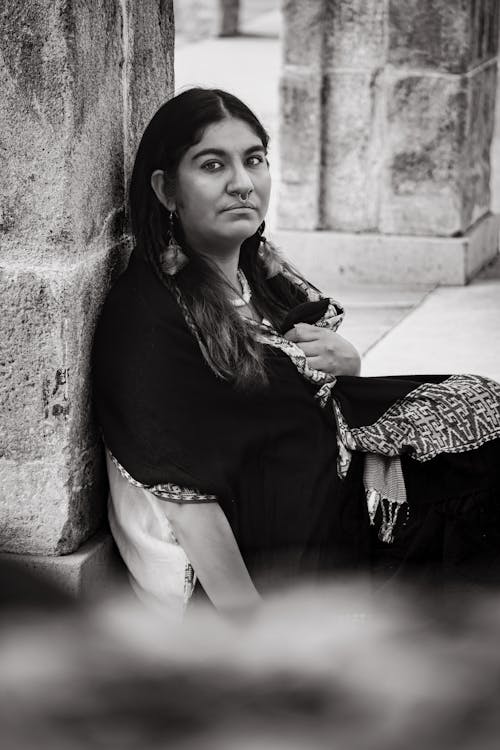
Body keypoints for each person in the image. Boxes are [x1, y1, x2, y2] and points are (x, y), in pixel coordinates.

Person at [92, 87, 500, 621]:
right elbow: (186, 500)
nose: (243, 182)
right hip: (269, 567)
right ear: (167, 190)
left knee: (480, 418)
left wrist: (347, 365)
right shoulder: (150, 317)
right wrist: (259, 638)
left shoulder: (254, 271)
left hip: (328, 499)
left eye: (255, 159)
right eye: (213, 165)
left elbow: (303, 388)